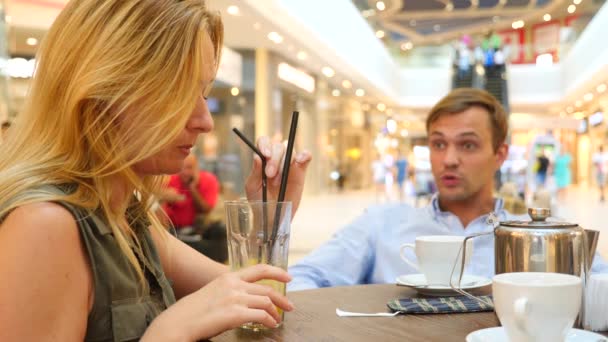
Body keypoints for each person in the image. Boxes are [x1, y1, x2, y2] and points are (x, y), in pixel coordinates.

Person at [0, 1, 312, 341]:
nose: (205, 122)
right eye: (179, 92)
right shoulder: (45, 225)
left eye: (204, 93)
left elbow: (246, 292)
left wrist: (267, 214)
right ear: (104, 87)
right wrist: (169, 331)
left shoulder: (125, 216)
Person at [288, 88, 608, 291]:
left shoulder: (539, 236)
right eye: (438, 144)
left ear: (500, 155)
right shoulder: (382, 224)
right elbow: (299, 280)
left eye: (467, 145)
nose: (449, 160)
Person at [163, 153, 219, 233]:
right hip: (173, 229)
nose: (185, 172)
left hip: (197, 230)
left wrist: (192, 188)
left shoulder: (209, 180)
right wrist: (164, 195)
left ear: (197, 168)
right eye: (182, 167)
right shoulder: (170, 179)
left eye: (189, 167)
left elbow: (206, 209)